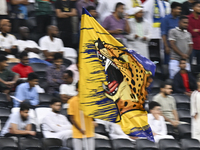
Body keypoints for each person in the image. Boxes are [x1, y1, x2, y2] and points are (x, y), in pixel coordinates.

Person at [68, 82, 95, 150]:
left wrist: (93, 121)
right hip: (77, 132)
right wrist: (80, 129)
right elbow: (71, 118)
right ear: (77, 89)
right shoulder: (72, 101)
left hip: (89, 131)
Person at [191, 77, 200, 142]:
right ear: (198, 83)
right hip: (198, 120)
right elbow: (194, 111)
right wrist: (197, 123)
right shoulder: (195, 94)